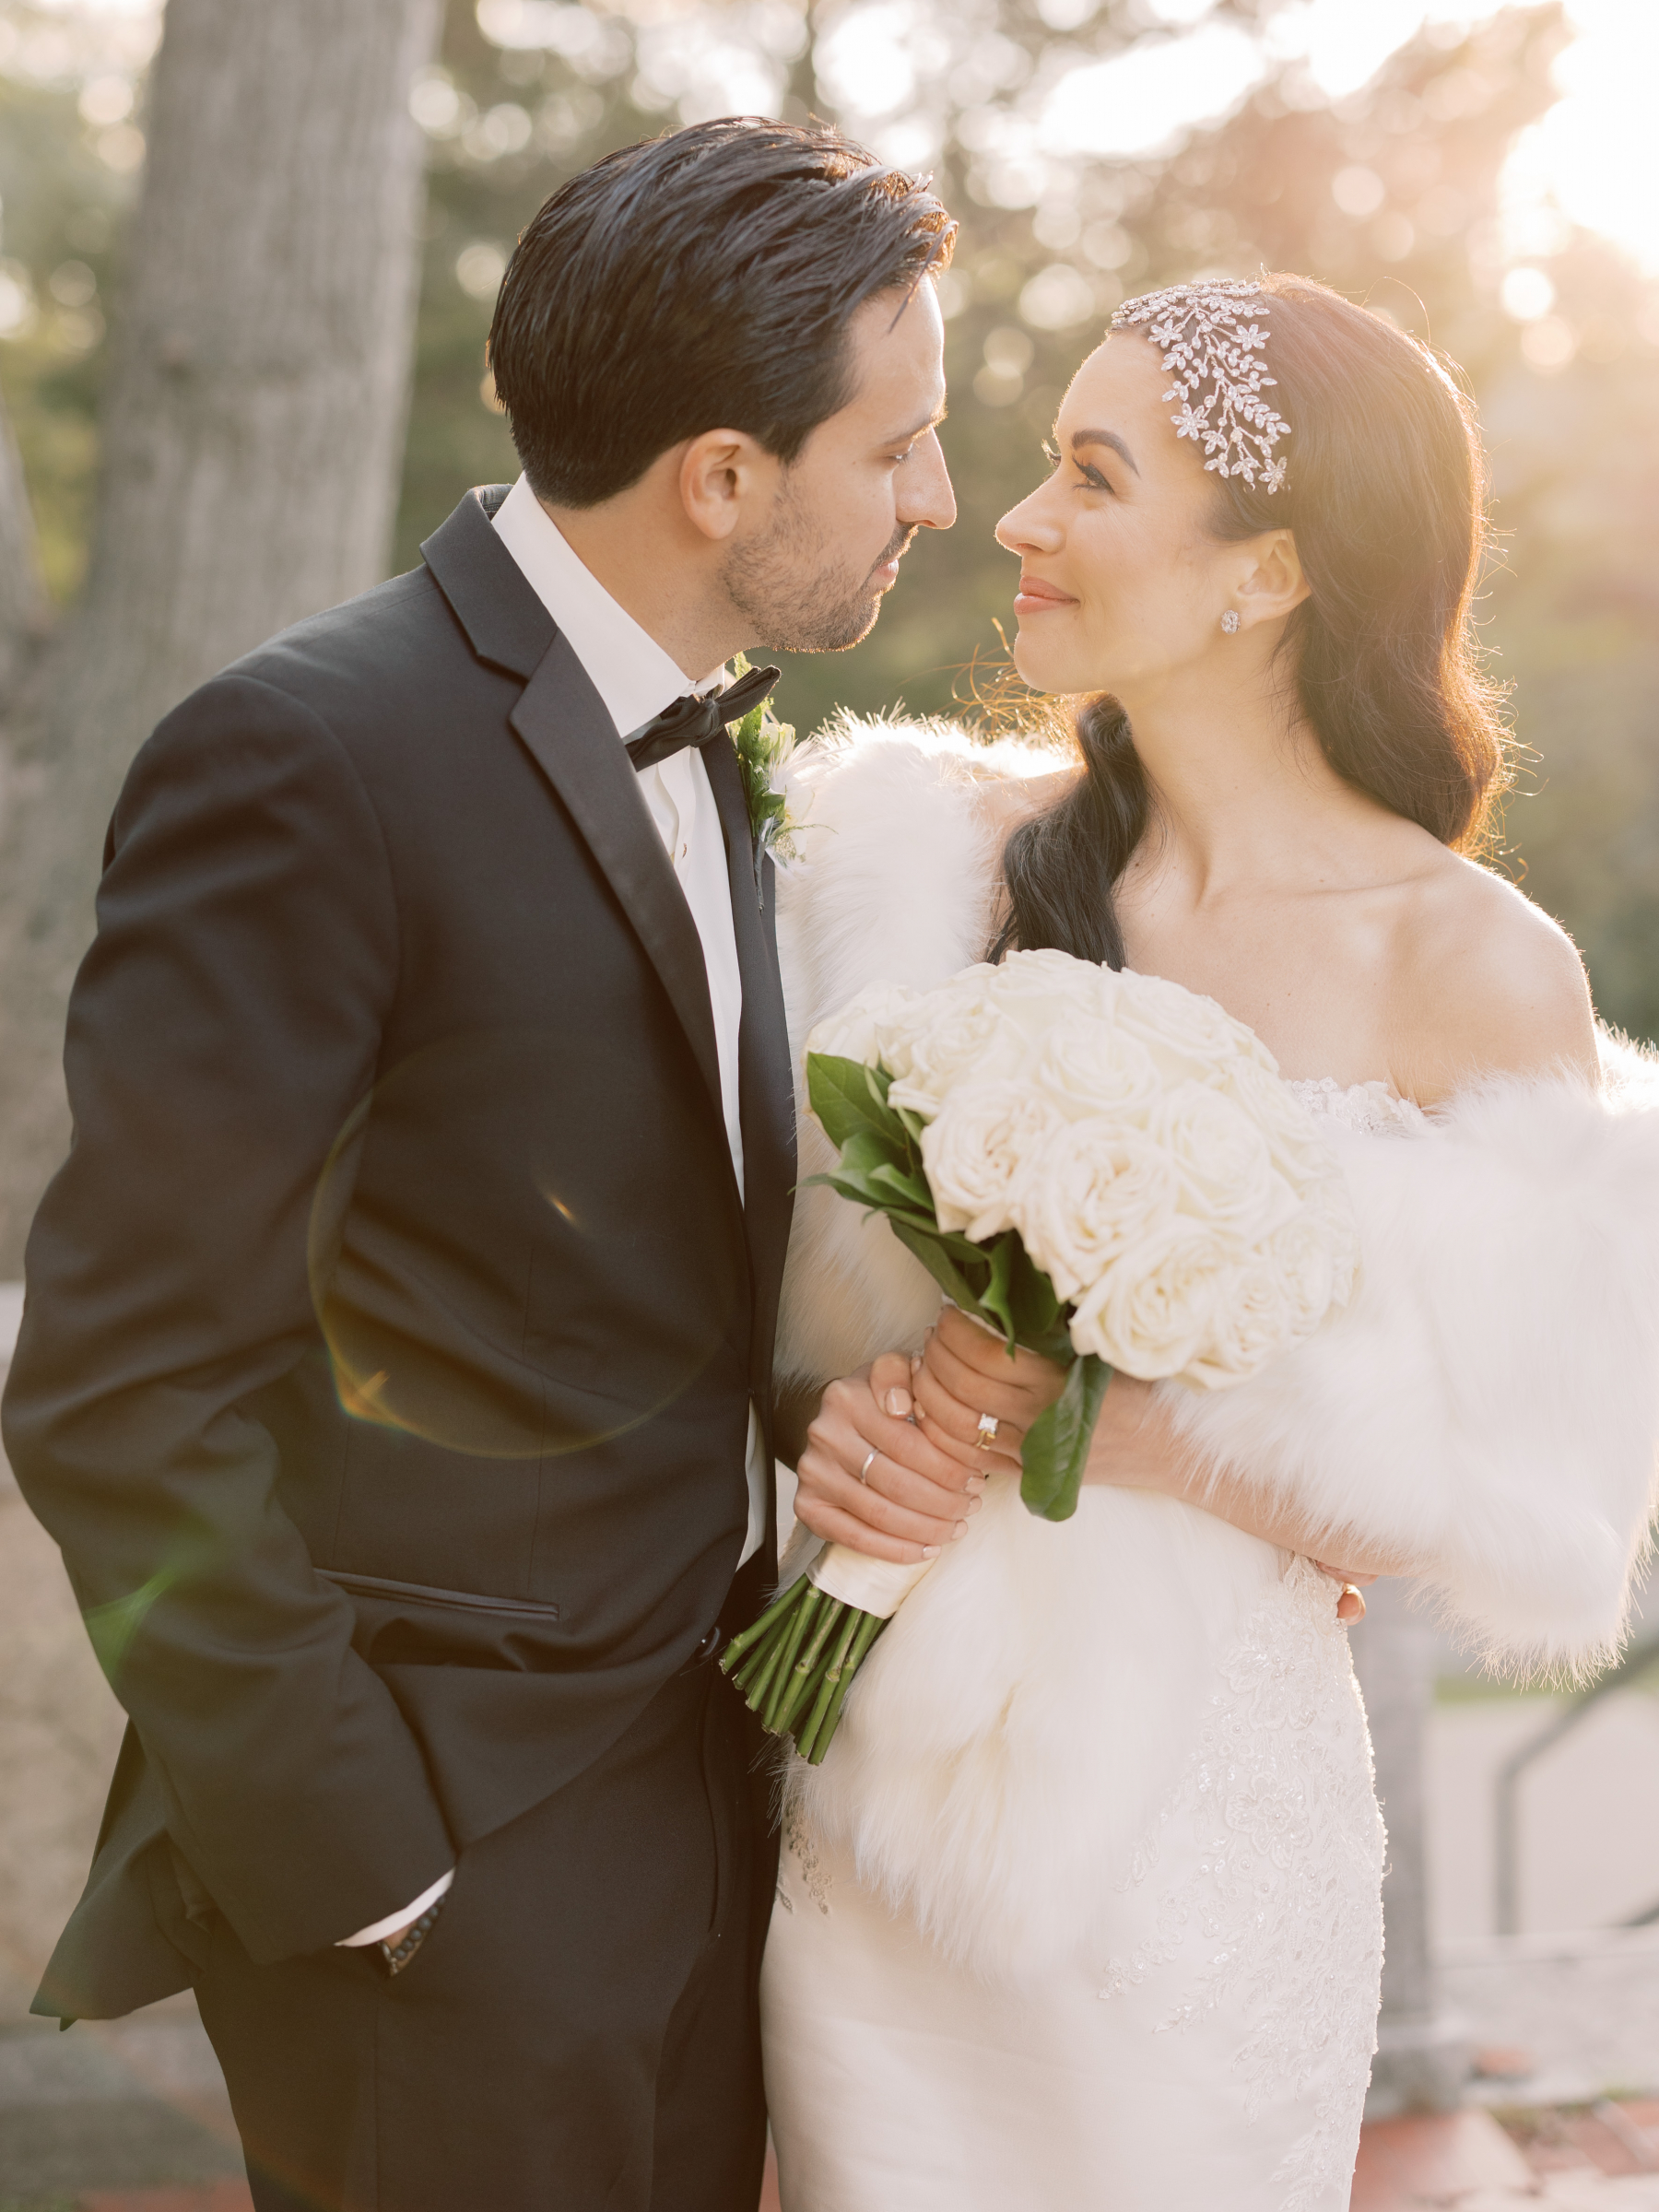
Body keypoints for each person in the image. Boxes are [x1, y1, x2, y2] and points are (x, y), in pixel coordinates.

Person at [2, 119, 965, 2212]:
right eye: (898, 448)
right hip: (442, 1883)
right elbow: (117, 1386)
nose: (937, 499)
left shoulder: (714, 740)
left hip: (703, 1827)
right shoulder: (307, 755)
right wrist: (367, 1864)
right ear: (722, 478)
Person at [759, 276, 1659, 2210]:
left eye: (1093, 476)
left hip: (1200, 1845)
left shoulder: (1475, 969)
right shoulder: (919, 868)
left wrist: (1088, 1420)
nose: (1018, 518)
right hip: (872, 1806)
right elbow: (776, 1314)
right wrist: (840, 1430)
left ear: (1271, 572)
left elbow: (1510, 1505)